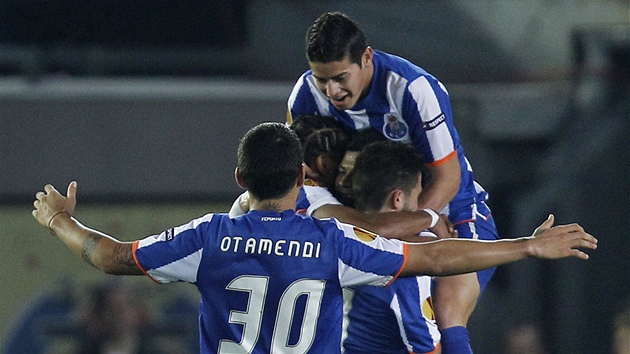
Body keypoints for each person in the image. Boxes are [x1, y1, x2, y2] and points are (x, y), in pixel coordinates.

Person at [32, 122, 597, 354]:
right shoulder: (330, 242)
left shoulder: (210, 238)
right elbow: (434, 257)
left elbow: (109, 257)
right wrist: (525, 245)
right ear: (302, 178)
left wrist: (61, 220)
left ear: (239, 180)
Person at [287, 12, 500, 352]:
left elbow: (448, 177)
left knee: (446, 311)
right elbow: (302, 175)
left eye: (341, 78)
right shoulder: (305, 95)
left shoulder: (412, 89)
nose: (332, 91)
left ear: (366, 58)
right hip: (370, 216)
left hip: (448, 209)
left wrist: (415, 227)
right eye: (321, 79)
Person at [343, 140, 441, 353]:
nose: (418, 207)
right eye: (417, 196)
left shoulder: (329, 237)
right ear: (397, 199)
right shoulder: (403, 261)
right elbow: (425, 347)